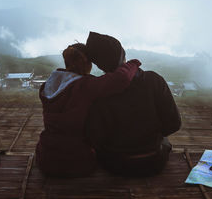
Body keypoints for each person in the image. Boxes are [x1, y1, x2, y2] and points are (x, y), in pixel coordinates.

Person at [36, 42, 141, 177]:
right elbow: (122, 78)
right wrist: (132, 63)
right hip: (77, 161)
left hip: (45, 158)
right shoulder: (85, 86)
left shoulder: (47, 85)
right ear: (87, 63)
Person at [85, 32, 181, 177]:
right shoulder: (154, 80)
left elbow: (94, 138)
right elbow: (173, 124)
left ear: (100, 65)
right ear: (123, 55)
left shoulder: (99, 92)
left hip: (115, 165)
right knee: (164, 142)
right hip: (153, 162)